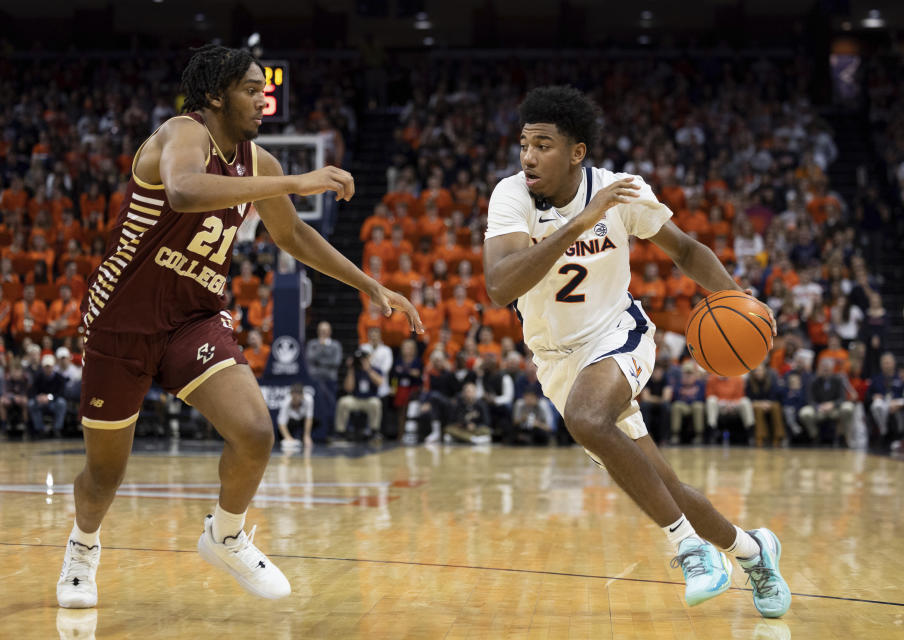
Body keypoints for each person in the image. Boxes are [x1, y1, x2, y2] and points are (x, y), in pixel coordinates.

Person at [55, 45, 422, 610]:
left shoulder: (261, 162)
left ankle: (225, 534)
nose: (262, 98)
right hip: (122, 323)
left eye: (263, 88)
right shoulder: (183, 131)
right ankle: (82, 547)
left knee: (255, 432)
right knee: (105, 475)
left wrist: (367, 285)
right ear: (214, 96)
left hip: (193, 319)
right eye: (251, 89)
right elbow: (182, 190)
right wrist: (295, 184)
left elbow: (293, 237)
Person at [483, 86, 789, 616]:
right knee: (661, 483)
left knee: (586, 416)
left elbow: (686, 249)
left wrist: (737, 299)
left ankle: (690, 551)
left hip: (617, 333)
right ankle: (754, 550)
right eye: (524, 144)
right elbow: (500, 285)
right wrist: (578, 223)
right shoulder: (510, 196)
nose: (528, 156)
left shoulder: (620, 191)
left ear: (577, 152)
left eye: (543, 144)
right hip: (555, 360)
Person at [334, 347, 384, 441]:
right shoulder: (354, 370)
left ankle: (374, 431)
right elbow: (348, 388)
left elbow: (380, 382)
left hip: (369, 399)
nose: (361, 361)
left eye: (363, 359)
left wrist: (368, 370)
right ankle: (340, 432)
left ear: (368, 358)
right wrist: (351, 369)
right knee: (343, 402)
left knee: (376, 403)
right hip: (356, 399)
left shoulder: (375, 369)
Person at [28, 353, 67, 438]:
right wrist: (38, 397)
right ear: (43, 367)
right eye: (46, 367)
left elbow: (61, 393)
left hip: (53, 402)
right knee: (31, 403)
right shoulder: (38, 376)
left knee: (62, 403)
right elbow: (32, 391)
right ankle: (40, 430)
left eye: (49, 366)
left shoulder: (59, 378)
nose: (48, 369)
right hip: (40, 402)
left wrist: (49, 397)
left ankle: (57, 429)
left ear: (53, 366)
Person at [276, 383, 314, 449]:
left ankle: (303, 437)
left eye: (297, 398)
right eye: (294, 398)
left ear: (302, 396)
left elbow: (309, 418)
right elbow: (281, 423)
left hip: (302, 420)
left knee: (316, 422)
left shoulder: (309, 399)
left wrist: (307, 436)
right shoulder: (286, 402)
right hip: (291, 422)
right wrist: (288, 438)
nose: (295, 400)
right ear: (291, 395)